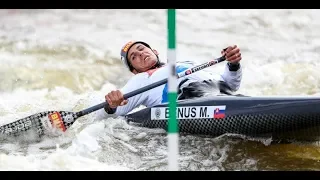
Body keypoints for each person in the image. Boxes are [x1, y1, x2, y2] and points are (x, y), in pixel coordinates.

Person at [103, 41, 242, 117]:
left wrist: (233, 64)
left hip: (222, 93)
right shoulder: (141, 80)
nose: (140, 53)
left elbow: (231, 84)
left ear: (154, 52)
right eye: (134, 57)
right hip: (190, 100)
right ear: (134, 70)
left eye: (141, 48)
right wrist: (112, 104)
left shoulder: (187, 63)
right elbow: (118, 111)